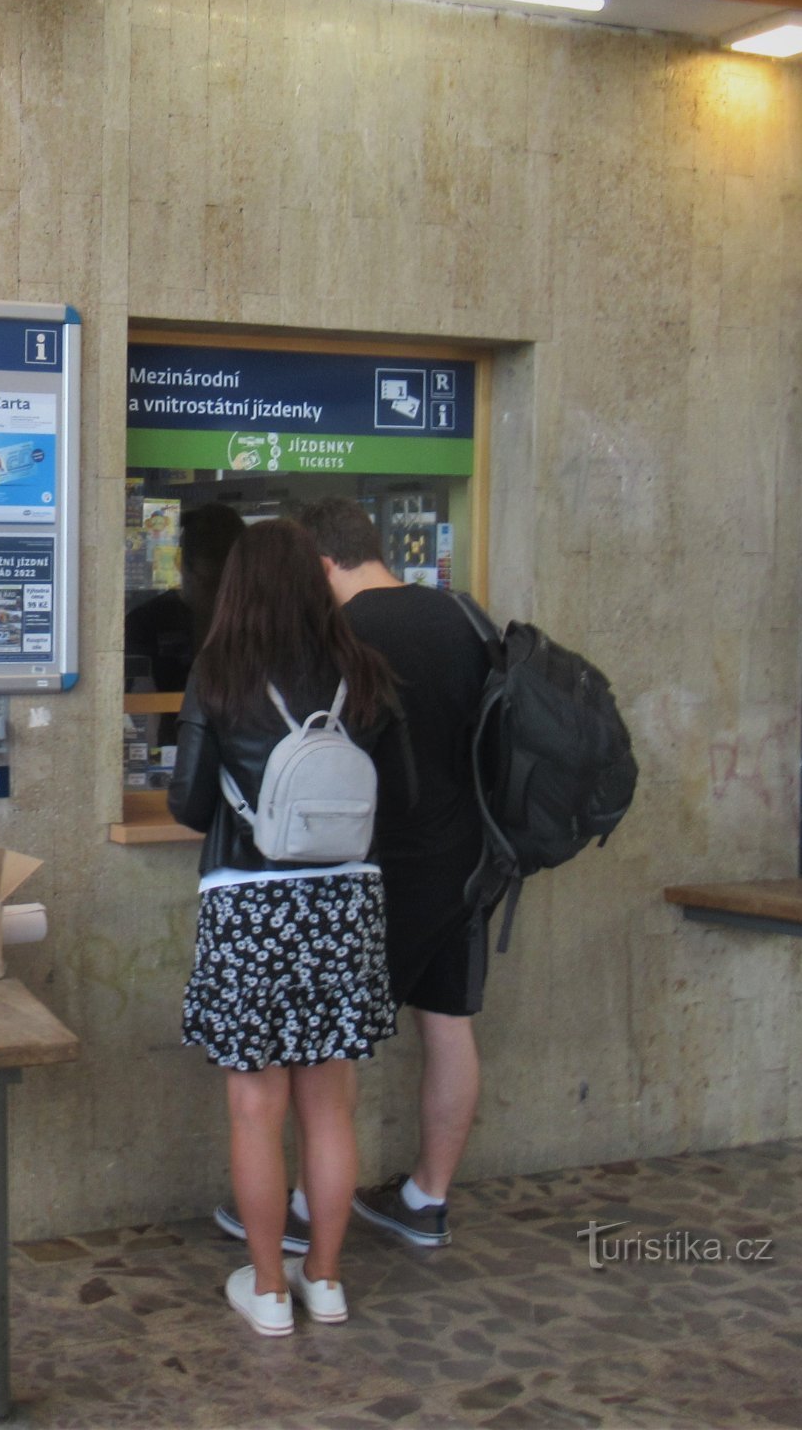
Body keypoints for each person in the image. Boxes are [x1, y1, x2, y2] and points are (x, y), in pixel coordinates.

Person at [167, 519, 408, 1336]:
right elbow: (400, 800)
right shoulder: (365, 671)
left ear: (236, 586)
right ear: (313, 582)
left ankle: (268, 1289)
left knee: (255, 1109)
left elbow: (188, 804)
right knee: (330, 1110)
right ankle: (328, 1279)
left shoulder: (218, 675)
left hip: (248, 905)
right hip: (345, 907)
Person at [300, 496, 493, 1250]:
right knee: (449, 1024)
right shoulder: (463, 616)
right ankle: (426, 1198)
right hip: (470, 856)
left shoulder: (345, 633)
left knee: (335, 1036)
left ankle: (316, 1206)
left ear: (322, 565)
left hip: (383, 861)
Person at [124, 501, 245, 692]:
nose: (219, 595)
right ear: (180, 565)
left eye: (230, 583)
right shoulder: (146, 624)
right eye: (210, 583)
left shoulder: (256, 621)